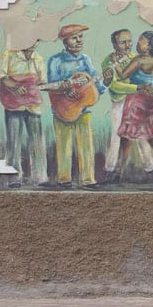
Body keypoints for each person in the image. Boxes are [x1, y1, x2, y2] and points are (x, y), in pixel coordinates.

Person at [110, 31, 153, 182]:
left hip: (137, 99)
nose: (137, 43)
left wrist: (115, 63)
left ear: (148, 45)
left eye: (141, 41)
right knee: (150, 135)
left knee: (126, 135)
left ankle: (118, 170)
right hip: (152, 99)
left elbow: (122, 76)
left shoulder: (140, 60)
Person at [45, 24, 106, 190]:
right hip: (62, 109)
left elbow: (94, 82)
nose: (79, 40)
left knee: (86, 145)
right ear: (65, 42)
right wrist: (65, 89)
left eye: (80, 37)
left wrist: (104, 83)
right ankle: (64, 179)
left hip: (83, 109)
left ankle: (88, 179)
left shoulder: (85, 59)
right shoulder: (55, 60)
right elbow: (51, 84)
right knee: (64, 145)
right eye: (74, 38)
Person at [101, 29, 153, 183]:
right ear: (114, 44)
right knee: (118, 134)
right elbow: (115, 85)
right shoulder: (108, 61)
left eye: (129, 41)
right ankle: (111, 168)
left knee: (142, 134)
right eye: (123, 42)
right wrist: (137, 88)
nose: (128, 45)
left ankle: (151, 167)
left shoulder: (137, 57)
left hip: (138, 102)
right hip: (121, 101)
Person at [0, 40, 48, 188]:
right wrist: (15, 87)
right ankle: (14, 176)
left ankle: (40, 176)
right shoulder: (9, 55)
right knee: (14, 140)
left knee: (38, 140)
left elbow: (42, 83)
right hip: (13, 104)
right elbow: (3, 77)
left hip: (32, 105)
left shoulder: (38, 59)